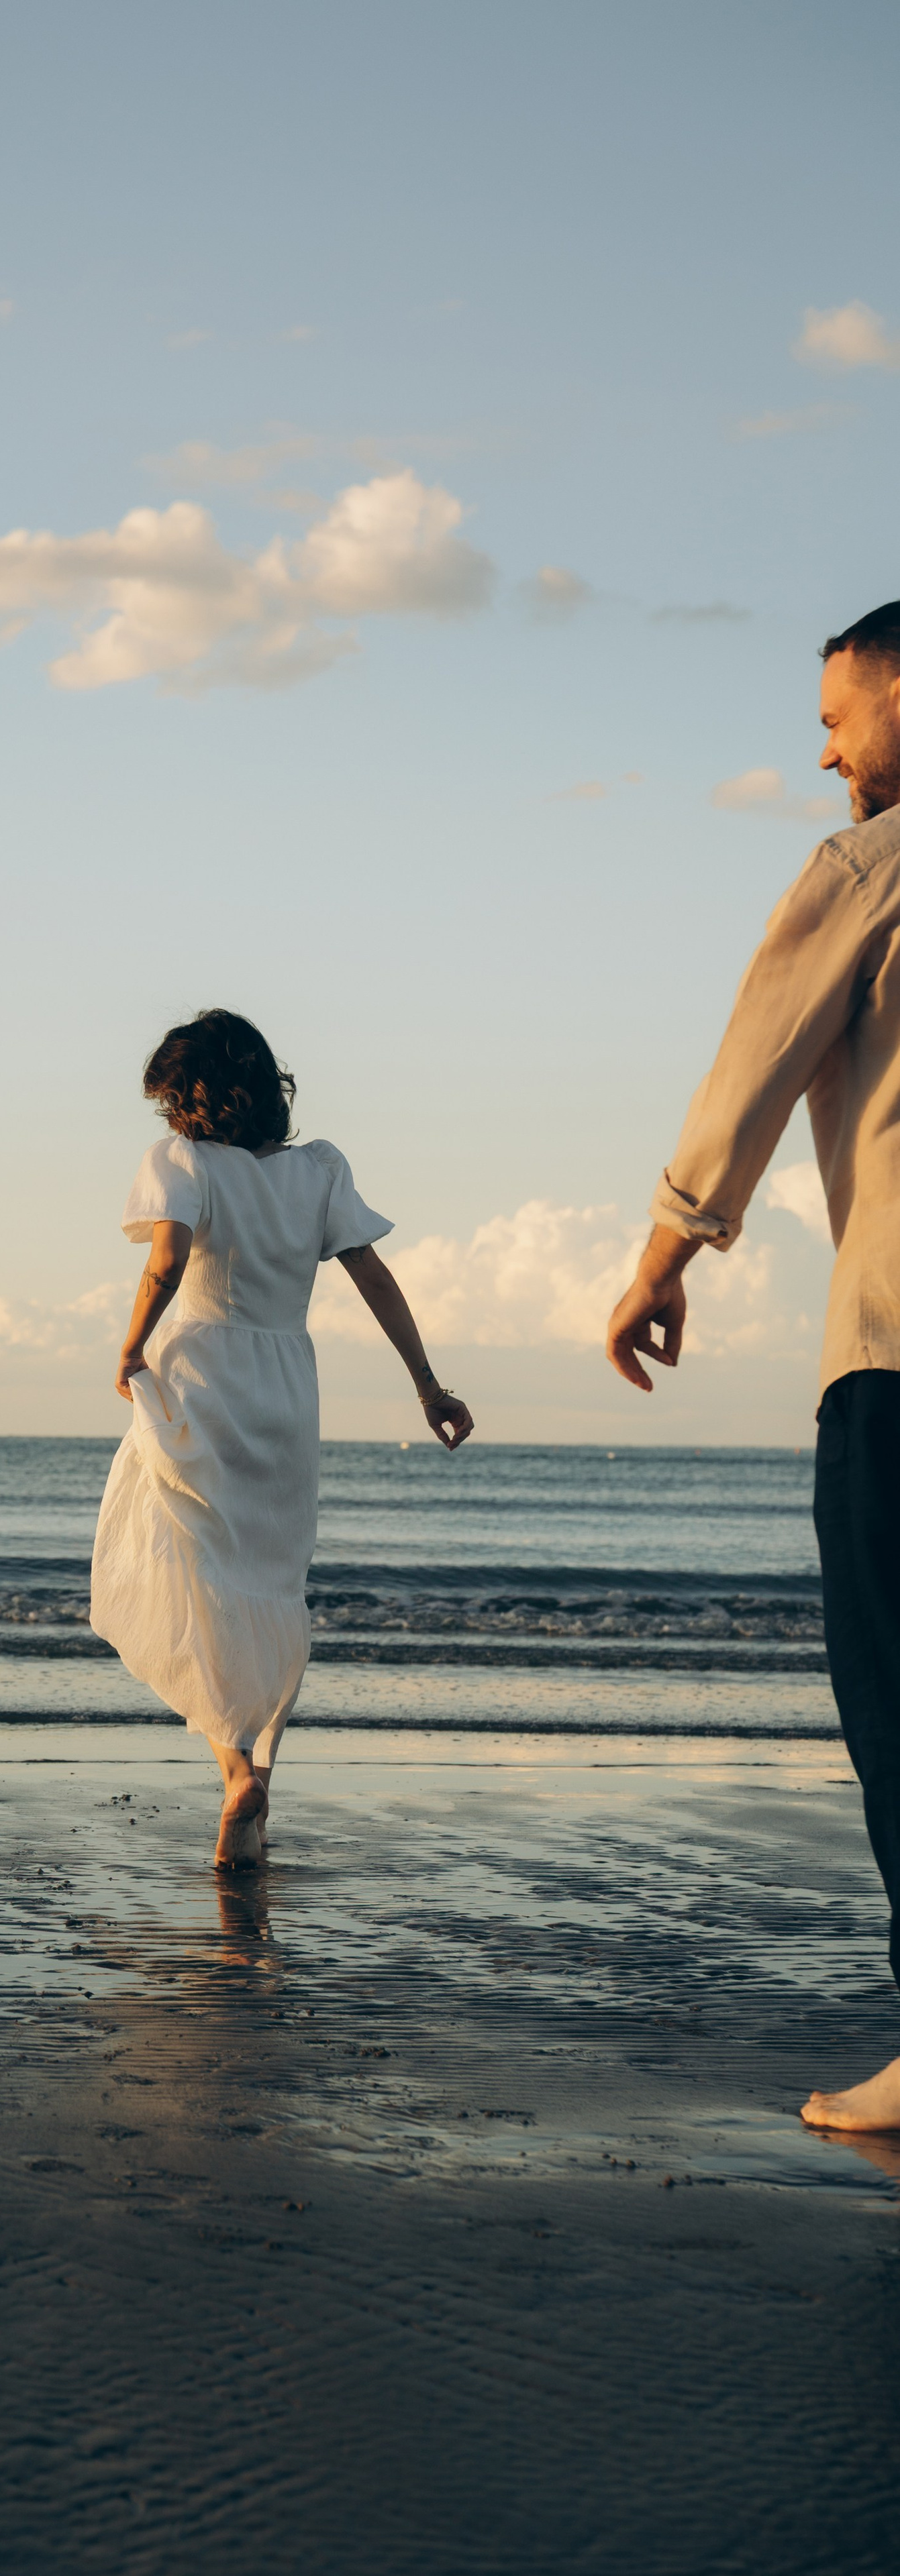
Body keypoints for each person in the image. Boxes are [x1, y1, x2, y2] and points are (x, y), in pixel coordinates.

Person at [604, 600, 900, 2134]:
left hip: (890, 1352)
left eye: (840, 712)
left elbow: (755, 1064)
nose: (823, 745)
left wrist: (661, 1254)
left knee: (893, 1696)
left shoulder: (867, 864)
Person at [91, 1008, 474, 1870]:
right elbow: (373, 1275)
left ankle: (233, 1771)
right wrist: (427, 1385)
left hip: (202, 1378)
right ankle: (258, 1783)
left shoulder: (183, 1162)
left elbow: (166, 1259)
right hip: (285, 1390)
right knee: (272, 1580)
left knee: (188, 1568)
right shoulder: (320, 1170)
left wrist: (129, 1345)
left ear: (187, 1099)